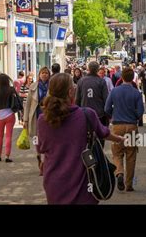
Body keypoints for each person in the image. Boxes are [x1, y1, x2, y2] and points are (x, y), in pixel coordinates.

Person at [36, 73, 124, 204]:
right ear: (71, 92)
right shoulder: (87, 114)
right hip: (83, 181)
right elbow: (104, 133)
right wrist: (120, 139)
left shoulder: (43, 120)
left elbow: (40, 147)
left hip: (54, 182)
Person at [105, 68, 144, 192]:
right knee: (131, 155)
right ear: (133, 78)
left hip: (117, 126)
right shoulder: (136, 93)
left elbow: (106, 108)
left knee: (117, 153)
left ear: (122, 77)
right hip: (131, 125)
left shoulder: (115, 91)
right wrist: (134, 116)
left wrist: (113, 116)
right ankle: (129, 184)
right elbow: (140, 112)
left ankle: (119, 172)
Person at [23, 67, 50, 175]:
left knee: (47, 139)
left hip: (48, 116)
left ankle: (45, 161)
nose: (44, 75)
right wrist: (25, 120)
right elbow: (28, 104)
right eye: (42, 73)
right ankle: (39, 156)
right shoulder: (33, 87)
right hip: (36, 115)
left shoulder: (52, 87)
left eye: (46, 73)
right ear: (39, 74)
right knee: (36, 139)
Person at [76, 61, 109, 147]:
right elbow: (106, 99)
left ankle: (87, 153)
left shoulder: (81, 81)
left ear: (88, 69)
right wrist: (108, 114)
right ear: (97, 70)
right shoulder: (101, 81)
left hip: (84, 113)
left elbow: (77, 99)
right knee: (100, 135)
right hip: (99, 114)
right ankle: (99, 152)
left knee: (85, 136)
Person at [0, 74, 18, 162]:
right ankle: (7, 156)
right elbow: (17, 100)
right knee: (9, 136)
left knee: (0, 136)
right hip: (10, 114)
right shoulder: (11, 90)